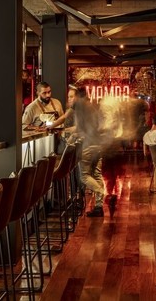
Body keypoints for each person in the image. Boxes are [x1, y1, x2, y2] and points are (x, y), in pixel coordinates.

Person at [72, 87, 107, 217]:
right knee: (96, 174)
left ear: (77, 96)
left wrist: (71, 134)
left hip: (88, 145)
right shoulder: (92, 106)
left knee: (84, 176)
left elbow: (79, 128)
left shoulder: (80, 107)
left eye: (71, 97)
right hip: (98, 145)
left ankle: (100, 191)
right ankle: (99, 207)